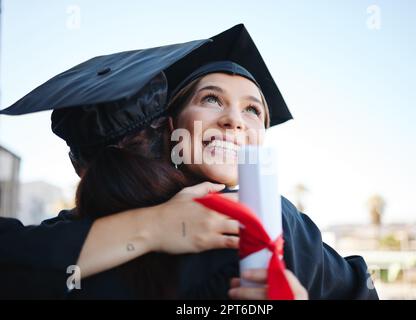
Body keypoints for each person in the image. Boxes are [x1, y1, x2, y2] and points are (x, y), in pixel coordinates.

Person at [0, 24, 377, 299]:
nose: (234, 120)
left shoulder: (278, 221)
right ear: (169, 127)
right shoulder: (86, 230)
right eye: (211, 99)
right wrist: (151, 227)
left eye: (253, 111)